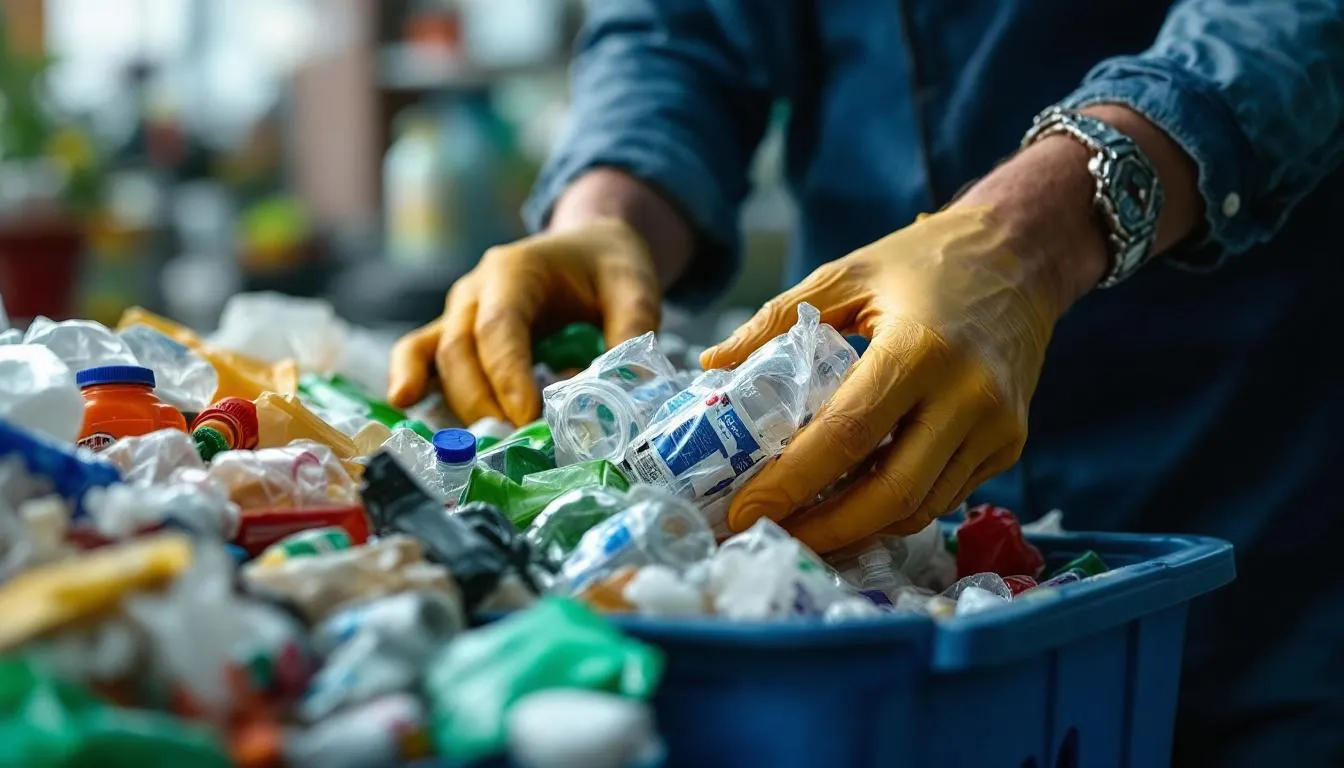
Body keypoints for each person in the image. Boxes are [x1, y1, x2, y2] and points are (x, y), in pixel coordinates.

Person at [387, 1, 1344, 764]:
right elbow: (683, 32)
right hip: (862, 557)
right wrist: (605, 214)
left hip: (1248, 513)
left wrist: (1035, 234)